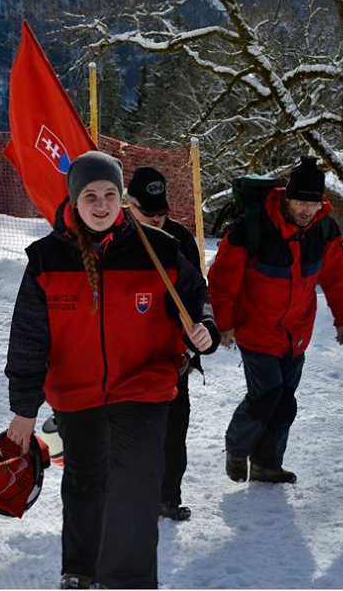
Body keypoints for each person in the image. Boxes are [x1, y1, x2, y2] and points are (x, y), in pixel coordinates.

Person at [4, 151, 220, 590]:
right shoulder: (47, 260)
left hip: (144, 385)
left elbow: (199, 301)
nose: (101, 205)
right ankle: (81, 571)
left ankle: (129, 581)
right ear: (74, 199)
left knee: (137, 483)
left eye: (109, 195)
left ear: (121, 199)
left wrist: (206, 331)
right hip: (76, 392)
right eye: (90, 196)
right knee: (87, 481)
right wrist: (24, 410)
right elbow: (28, 339)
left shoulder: (158, 250)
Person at [207, 156, 343, 485]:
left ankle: (266, 465)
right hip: (256, 330)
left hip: (296, 333)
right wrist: (224, 323)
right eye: (300, 201)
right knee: (267, 395)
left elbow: (338, 278)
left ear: (321, 203)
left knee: (285, 401)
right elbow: (222, 279)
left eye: (312, 203)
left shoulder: (325, 229)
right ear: (287, 197)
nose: (305, 210)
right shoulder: (254, 226)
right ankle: (236, 447)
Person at [126, 166, 203, 522]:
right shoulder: (116, 237)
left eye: (162, 212)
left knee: (174, 432)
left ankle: (167, 497)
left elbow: (197, 294)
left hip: (173, 357)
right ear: (129, 204)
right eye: (148, 213)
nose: (157, 219)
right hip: (126, 357)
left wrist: (200, 334)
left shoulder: (180, 239)